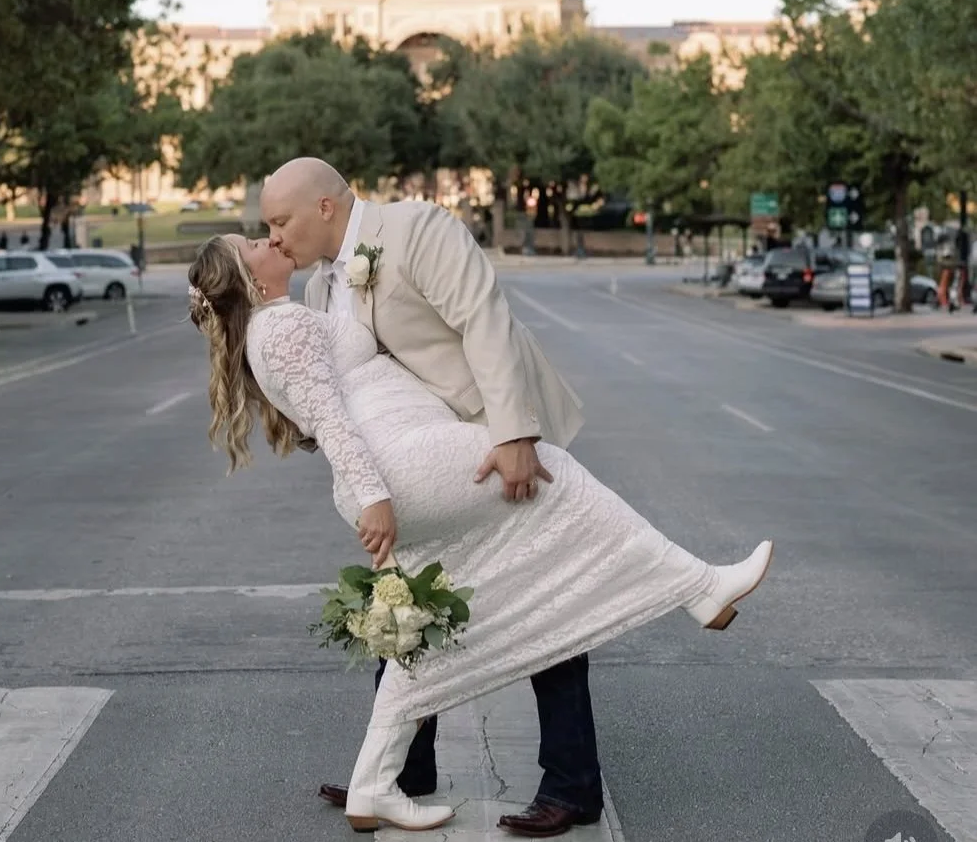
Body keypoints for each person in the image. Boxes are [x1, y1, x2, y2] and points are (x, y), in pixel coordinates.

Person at [187, 165, 774, 837]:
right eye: (263, 232)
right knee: (414, 610)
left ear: (323, 205)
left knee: (540, 583)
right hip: (412, 457)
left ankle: (564, 781)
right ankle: (401, 774)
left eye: (279, 223)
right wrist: (362, 476)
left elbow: (483, 319)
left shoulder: (413, 228)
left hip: (481, 431)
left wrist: (515, 430)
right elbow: (329, 395)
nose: (274, 236)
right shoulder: (319, 286)